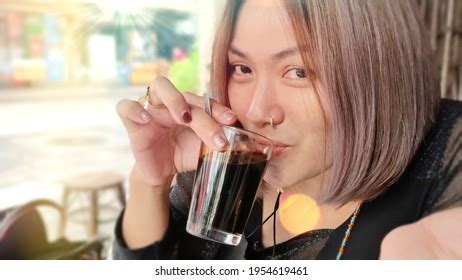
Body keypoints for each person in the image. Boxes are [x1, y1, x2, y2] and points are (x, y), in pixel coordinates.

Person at [112, 0, 462, 259]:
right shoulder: (223, 158)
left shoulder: (450, 146)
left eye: (299, 72)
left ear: (378, 71)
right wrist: (150, 183)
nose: (257, 111)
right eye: (241, 67)